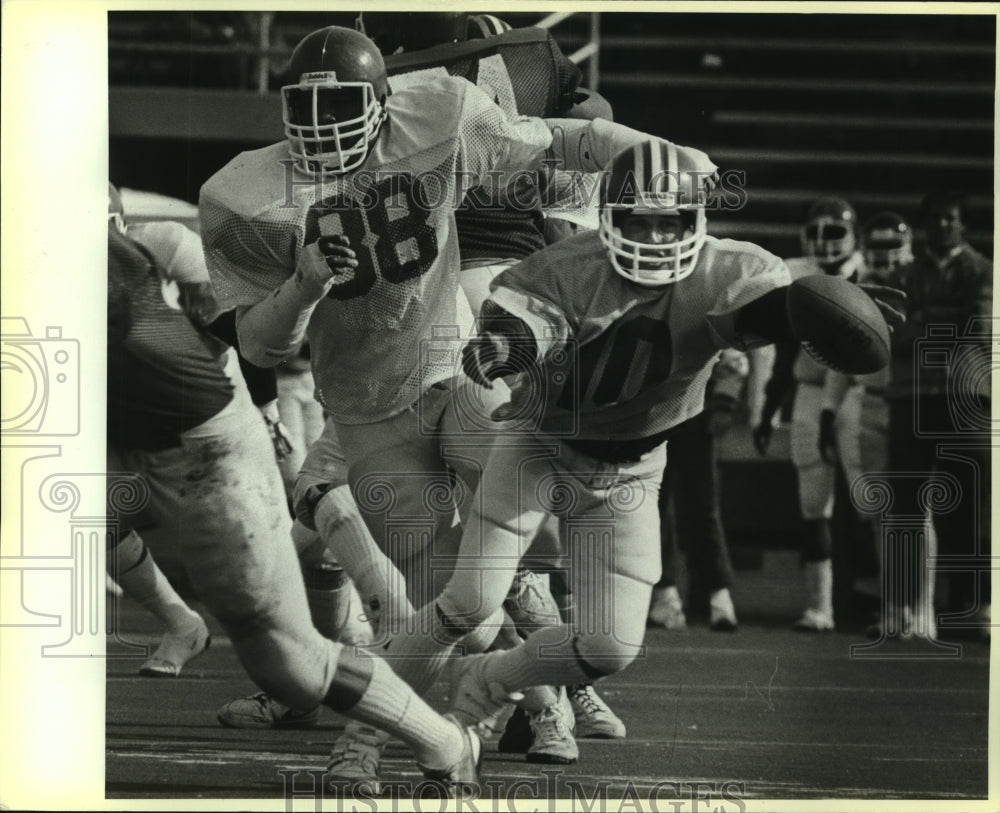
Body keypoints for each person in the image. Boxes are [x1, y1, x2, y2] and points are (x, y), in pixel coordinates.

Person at [199, 23, 704, 782]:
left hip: (455, 369)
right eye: (305, 115)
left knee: (521, 550)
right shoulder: (244, 193)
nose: (320, 133)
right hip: (367, 409)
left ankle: (522, 701)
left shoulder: (437, 113)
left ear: (380, 103)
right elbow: (264, 348)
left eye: (338, 112)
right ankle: (524, 705)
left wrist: (645, 153)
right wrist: (304, 283)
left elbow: (554, 141)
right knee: (448, 609)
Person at [381, 141, 904, 735]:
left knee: (609, 646)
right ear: (609, 218)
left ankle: (491, 682)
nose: (655, 237)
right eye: (640, 220)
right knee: (469, 601)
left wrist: (826, 313)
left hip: (633, 470)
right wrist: (505, 347)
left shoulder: (723, 272)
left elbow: (766, 312)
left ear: (696, 221)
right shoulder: (568, 268)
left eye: (669, 222)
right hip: (542, 450)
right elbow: (525, 323)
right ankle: (366, 729)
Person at [107, 204, 482, 793]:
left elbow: (238, 331)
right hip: (119, 432)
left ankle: (451, 732)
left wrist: (259, 402)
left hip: (198, 446)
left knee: (293, 664)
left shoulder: (116, 253)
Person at [752, 197, 869, 632]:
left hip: (858, 394)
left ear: (855, 236)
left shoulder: (874, 271)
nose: (823, 242)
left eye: (834, 231)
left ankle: (878, 597)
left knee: (870, 498)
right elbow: (783, 350)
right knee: (813, 502)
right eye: (815, 231)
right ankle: (821, 606)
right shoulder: (794, 275)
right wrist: (766, 410)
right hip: (808, 390)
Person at [880, 192, 991, 639]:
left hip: (967, 399)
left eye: (951, 217)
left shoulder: (985, 270)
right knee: (906, 504)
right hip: (912, 396)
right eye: (937, 218)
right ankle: (908, 607)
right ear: (925, 226)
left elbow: (981, 330)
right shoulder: (903, 273)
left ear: (962, 224)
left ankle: (975, 602)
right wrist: (947, 323)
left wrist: (926, 321)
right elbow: (895, 333)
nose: (944, 225)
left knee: (973, 504)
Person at [648, 348, 746, 632]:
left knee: (702, 506)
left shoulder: (697, 302)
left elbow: (733, 350)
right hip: (656, 410)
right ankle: (666, 595)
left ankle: (718, 596)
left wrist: (724, 402)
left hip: (695, 409)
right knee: (654, 506)